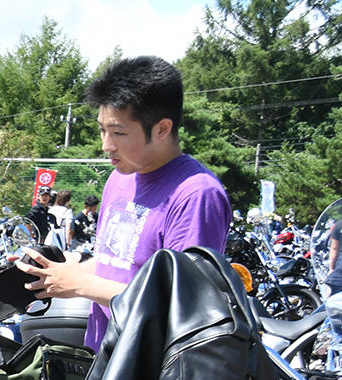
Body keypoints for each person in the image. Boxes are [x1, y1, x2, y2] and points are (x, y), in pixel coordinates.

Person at [20, 56, 230, 352]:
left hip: (149, 373)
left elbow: (182, 305)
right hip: (103, 354)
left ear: (162, 129)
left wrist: (79, 286)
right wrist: (67, 269)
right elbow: (119, 262)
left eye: (118, 132)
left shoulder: (196, 195)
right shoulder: (119, 178)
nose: (106, 144)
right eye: (102, 129)